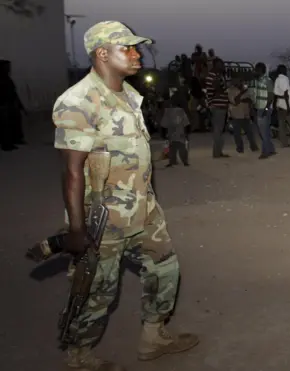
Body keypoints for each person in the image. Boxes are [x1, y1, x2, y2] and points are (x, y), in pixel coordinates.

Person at [51, 21, 199, 370]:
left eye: (137, 48)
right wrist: (76, 229)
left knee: (166, 269)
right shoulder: (78, 101)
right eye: (127, 48)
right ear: (103, 53)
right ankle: (79, 356)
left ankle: (153, 337)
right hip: (103, 218)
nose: (137, 54)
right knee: (97, 290)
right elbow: (72, 170)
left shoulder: (130, 95)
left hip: (143, 209)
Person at [205, 58, 231, 158]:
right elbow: (216, 88)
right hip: (217, 105)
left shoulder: (217, 75)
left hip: (219, 105)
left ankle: (218, 151)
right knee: (218, 130)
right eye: (221, 65)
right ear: (216, 65)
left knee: (219, 130)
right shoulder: (213, 76)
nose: (223, 66)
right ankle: (217, 152)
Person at [250, 62, 276, 159]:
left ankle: (265, 152)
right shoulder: (257, 81)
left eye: (256, 69)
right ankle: (271, 149)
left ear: (260, 70)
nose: (255, 71)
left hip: (264, 108)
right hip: (259, 108)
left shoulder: (267, 81)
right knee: (265, 131)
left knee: (263, 132)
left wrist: (266, 108)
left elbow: (270, 96)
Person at [227, 76, 259, 153]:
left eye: (240, 81)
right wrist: (242, 94)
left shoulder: (247, 90)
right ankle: (240, 148)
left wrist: (242, 99)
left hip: (246, 114)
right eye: (238, 81)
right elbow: (235, 101)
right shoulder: (231, 90)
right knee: (237, 134)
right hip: (236, 114)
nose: (240, 83)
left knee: (250, 132)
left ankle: (253, 146)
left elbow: (250, 101)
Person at [0, 60, 26, 150]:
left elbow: (14, 94)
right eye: (6, 67)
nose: (9, 69)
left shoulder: (8, 79)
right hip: (3, 106)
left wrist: (21, 107)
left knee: (15, 123)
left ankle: (16, 139)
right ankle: (7, 145)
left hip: (11, 105)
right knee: (5, 127)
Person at [162, 92, 191, 167]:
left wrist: (164, 134)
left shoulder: (167, 111)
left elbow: (164, 124)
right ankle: (185, 161)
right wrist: (186, 133)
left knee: (171, 149)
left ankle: (172, 161)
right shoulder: (181, 111)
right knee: (182, 149)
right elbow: (186, 123)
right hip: (180, 133)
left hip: (171, 134)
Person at [273, 65, 290, 148]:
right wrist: (288, 108)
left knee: (282, 126)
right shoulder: (285, 79)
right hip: (285, 106)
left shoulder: (277, 79)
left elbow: (276, 93)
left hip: (279, 105)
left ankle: (284, 143)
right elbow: (286, 94)